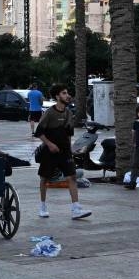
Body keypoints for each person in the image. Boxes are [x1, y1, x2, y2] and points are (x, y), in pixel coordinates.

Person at [34, 84, 90, 220]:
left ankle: (76, 209)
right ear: (57, 96)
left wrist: (70, 149)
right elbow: (39, 132)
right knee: (44, 179)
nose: (67, 95)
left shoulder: (69, 113)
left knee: (72, 177)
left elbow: (69, 133)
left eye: (67, 93)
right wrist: (50, 144)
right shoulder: (49, 113)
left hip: (65, 151)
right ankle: (42, 207)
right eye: (64, 93)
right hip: (49, 152)